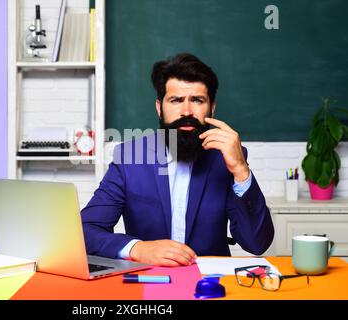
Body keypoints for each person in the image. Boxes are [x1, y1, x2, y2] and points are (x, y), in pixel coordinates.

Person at [81, 53, 274, 267]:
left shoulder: (227, 158)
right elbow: (85, 230)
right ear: (159, 107)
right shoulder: (129, 158)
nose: (186, 111)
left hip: (211, 283)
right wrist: (138, 248)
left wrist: (240, 170)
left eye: (197, 100)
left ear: (212, 108)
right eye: (176, 100)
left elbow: (258, 244)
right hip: (148, 280)